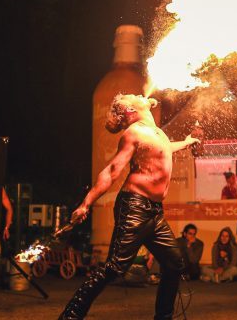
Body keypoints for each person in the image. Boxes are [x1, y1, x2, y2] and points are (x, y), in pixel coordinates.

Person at [58, 94, 200, 320]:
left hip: (154, 211)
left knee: (174, 263)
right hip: (134, 207)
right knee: (114, 267)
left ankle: (163, 318)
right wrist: (86, 204)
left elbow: (164, 148)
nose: (138, 94)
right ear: (131, 111)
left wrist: (186, 142)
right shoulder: (133, 133)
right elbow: (112, 170)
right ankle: (70, 316)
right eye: (133, 96)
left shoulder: (157, 133)